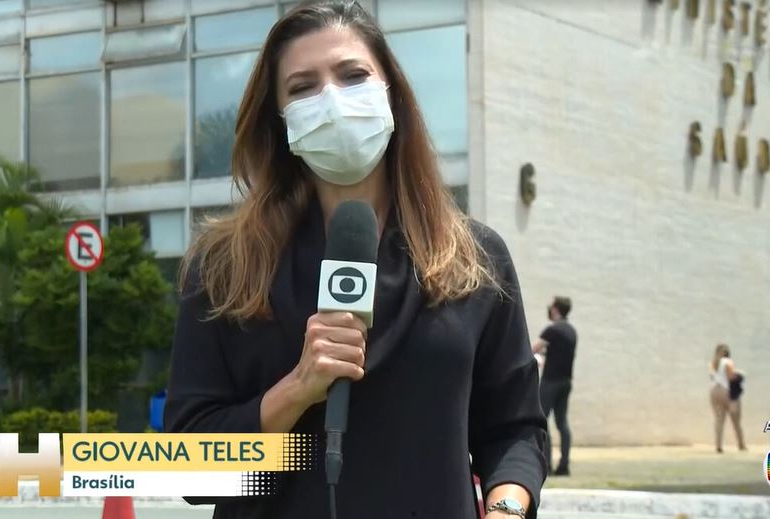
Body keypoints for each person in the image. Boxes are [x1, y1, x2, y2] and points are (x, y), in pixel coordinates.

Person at [163, 2, 549, 518]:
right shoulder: (223, 267)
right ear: (280, 122)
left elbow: (514, 430)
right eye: (303, 87)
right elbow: (191, 466)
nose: (333, 100)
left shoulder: (476, 259)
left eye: (352, 75)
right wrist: (297, 390)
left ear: (391, 93)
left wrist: (507, 508)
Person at [531, 296, 576, 476]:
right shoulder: (571, 331)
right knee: (562, 423)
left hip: (550, 382)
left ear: (556, 309)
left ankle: (546, 464)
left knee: (542, 421)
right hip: (566, 382)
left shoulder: (553, 330)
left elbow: (532, 348)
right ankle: (564, 465)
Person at [708, 344, 746, 453]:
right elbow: (731, 377)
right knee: (736, 419)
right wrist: (740, 376)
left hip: (714, 391)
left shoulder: (712, 364)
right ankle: (741, 444)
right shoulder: (727, 362)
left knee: (719, 419)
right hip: (726, 391)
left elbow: (713, 377)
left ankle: (718, 445)